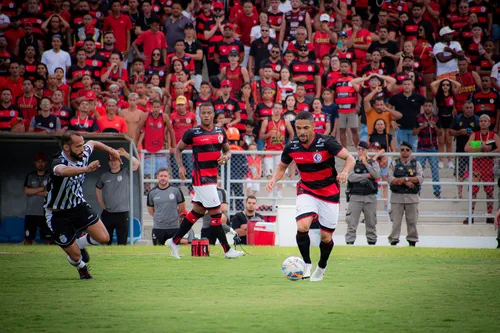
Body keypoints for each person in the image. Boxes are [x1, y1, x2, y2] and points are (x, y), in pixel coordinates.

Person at [266, 111, 355, 281]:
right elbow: (282, 168)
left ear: (313, 127)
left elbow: (350, 158)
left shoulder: (326, 142)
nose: (302, 132)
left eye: (306, 127)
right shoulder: (292, 146)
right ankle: (306, 265)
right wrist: (274, 179)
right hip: (306, 190)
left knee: (326, 237)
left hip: (329, 193)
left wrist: (344, 172)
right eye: (298, 128)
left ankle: (321, 267)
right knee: (302, 227)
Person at [165, 102, 244, 259]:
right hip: (201, 178)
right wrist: (180, 166)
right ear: (199, 115)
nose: (206, 115)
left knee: (198, 211)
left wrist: (226, 157)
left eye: (209, 113)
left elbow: (228, 151)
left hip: (212, 177)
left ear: (213, 114)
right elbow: (178, 149)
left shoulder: (221, 131)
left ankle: (174, 241)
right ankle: (227, 250)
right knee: (216, 213)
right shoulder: (192, 133)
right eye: (203, 113)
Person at [45, 131, 121, 279]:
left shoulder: (83, 153)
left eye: (82, 144)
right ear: (67, 147)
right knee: (75, 256)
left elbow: (93, 143)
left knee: (104, 238)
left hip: (78, 206)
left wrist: (111, 150)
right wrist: (86, 169)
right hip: (57, 213)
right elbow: (63, 171)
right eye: (78, 146)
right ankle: (82, 267)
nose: (82, 149)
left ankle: (79, 243)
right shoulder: (58, 162)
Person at [96, 148, 140, 245]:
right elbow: (98, 188)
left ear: (120, 161)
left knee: (122, 241)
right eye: (111, 160)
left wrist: (125, 154)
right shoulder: (104, 176)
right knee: (106, 240)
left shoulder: (126, 172)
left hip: (122, 213)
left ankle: (121, 258)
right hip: (108, 213)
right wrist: (101, 203)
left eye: (115, 160)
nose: (113, 162)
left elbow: (136, 163)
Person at [464, 114, 500, 224]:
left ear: (489, 123)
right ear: (478, 123)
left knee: (489, 191)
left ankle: (489, 215)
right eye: (481, 121)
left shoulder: (494, 135)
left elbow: (499, 148)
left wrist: (488, 153)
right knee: (473, 191)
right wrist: (480, 147)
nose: (483, 123)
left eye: (485, 121)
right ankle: (471, 215)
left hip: (488, 166)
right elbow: (466, 148)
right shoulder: (475, 135)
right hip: (476, 167)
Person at [345, 141, 382, 246]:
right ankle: (349, 243)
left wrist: (366, 163)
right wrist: (366, 175)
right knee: (351, 223)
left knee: (371, 223)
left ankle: (371, 243)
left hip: (370, 197)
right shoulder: (352, 162)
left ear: (367, 150)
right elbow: (351, 177)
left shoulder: (373, 162)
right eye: (359, 149)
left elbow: (376, 175)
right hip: (355, 196)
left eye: (363, 149)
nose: (360, 151)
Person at [388, 141, 424, 246]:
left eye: (407, 150)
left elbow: (420, 178)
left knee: (412, 221)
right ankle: (393, 240)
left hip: (412, 197)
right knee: (396, 222)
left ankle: (412, 240)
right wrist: (405, 181)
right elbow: (390, 179)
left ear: (411, 151)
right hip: (397, 197)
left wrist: (405, 179)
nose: (404, 152)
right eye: (402, 150)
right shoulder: (394, 163)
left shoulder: (416, 164)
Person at [147, 168, 186, 245]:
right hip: (158, 227)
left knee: (174, 251)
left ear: (169, 177)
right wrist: (159, 217)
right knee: (158, 252)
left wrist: (174, 215)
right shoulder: (152, 193)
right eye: (161, 176)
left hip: (174, 227)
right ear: (157, 177)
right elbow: (151, 210)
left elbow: (182, 207)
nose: (163, 178)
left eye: (165, 176)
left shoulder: (176, 190)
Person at [449, 100, 479, 200]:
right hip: (460, 150)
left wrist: (473, 135)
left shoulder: (477, 119)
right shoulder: (458, 119)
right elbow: (450, 132)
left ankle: (472, 194)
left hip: (474, 151)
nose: (469, 110)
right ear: (462, 108)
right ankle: (459, 194)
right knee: (459, 173)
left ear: (474, 108)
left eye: (471, 108)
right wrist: (459, 132)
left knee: (474, 173)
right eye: (467, 108)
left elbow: (482, 133)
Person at [412, 100, 442, 199]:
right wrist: (421, 127)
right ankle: (418, 192)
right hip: (421, 148)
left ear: (432, 107)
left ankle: (437, 193)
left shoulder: (436, 118)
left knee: (435, 170)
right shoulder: (417, 117)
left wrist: (435, 126)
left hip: (433, 148)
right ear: (423, 107)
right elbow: (413, 133)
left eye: (429, 106)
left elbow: (440, 133)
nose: (428, 108)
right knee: (419, 171)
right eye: (426, 106)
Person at [388, 78, 426, 151]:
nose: (406, 86)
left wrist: (422, 121)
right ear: (402, 86)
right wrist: (392, 120)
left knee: (414, 149)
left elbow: (427, 108)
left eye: (408, 84)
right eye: (405, 84)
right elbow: (387, 109)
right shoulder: (396, 97)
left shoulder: (419, 97)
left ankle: (413, 162)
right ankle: (402, 163)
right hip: (400, 128)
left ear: (412, 86)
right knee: (402, 149)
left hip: (414, 129)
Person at [24, 153, 51, 245]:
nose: (40, 164)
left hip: (46, 212)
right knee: (28, 238)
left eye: (42, 161)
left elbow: (49, 193)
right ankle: (25, 257)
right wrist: (42, 188)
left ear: (46, 163)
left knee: (48, 239)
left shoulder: (50, 176)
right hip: (31, 212)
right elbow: (26, 191)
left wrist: (34, 191)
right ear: (34, 163)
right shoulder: (30, 176)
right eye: (38, 162)